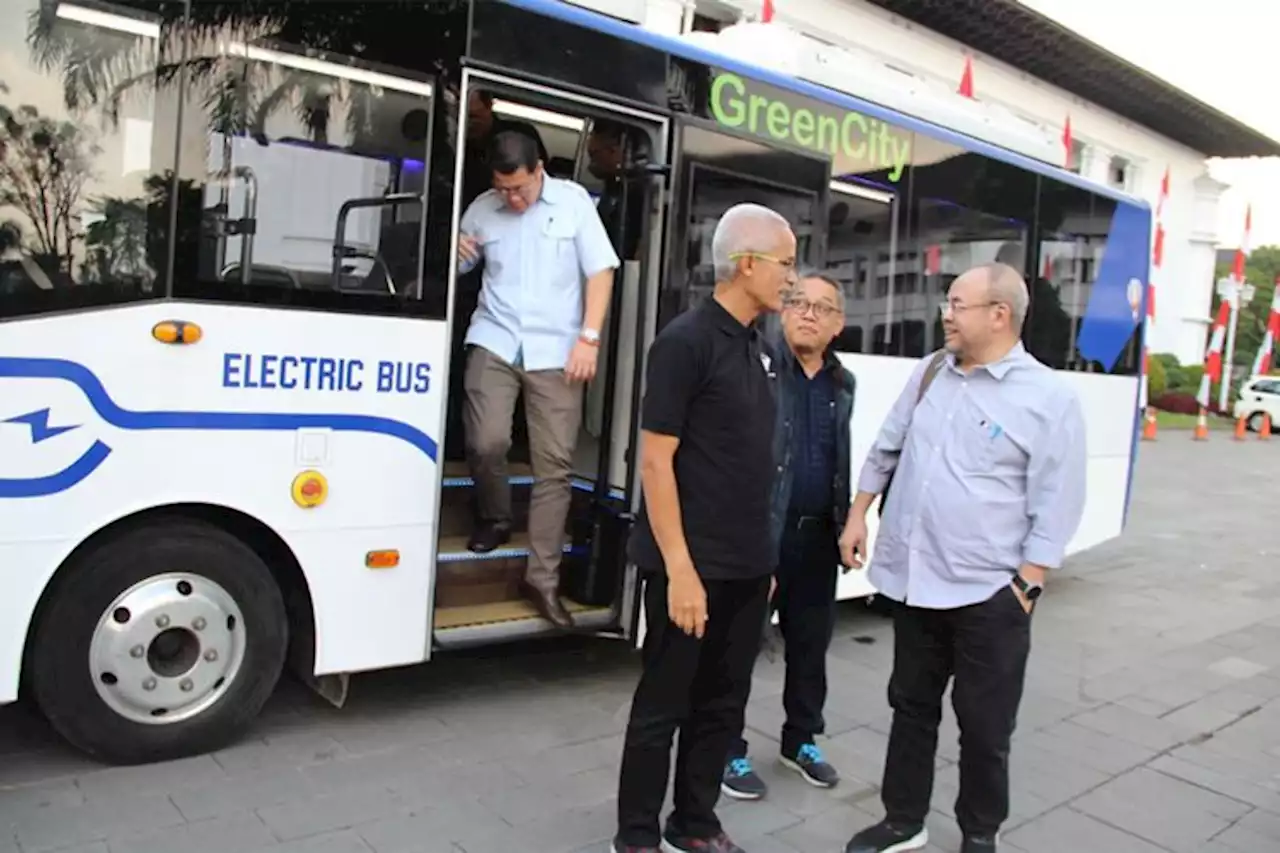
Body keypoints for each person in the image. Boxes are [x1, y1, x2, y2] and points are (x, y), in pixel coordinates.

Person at [838, 262, 1087, 853]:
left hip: (989, 596)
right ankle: (903, 820)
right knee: (911, 708)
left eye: (957, 303)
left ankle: (980, 833)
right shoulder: (931, 374)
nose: (945, 314)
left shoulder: (1049, 398)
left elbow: (1059, 498)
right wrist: (858, 514)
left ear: (999, 314)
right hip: (915, 582)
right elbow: (887, 445)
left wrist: (1027, 583)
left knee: (984, 727)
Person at [613, 203, 797, 853]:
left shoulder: (761, 346)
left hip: (747, 565)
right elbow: (656, 461)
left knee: (723, 703)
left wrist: (765, 561)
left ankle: (693, 821)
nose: (791, 280)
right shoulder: (685, 342)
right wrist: (681, 570)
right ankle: (636, 835)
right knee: (664, 703)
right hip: (688, 566)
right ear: (746, 264)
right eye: (785, 263)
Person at [456, 130, 620, 628]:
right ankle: (496, 515)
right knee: (486, 442)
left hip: (558, 350)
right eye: (503, 189)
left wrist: (589, 338)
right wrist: (457, 253)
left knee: (555, 467)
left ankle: (542, 579)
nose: (512, 198)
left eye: (520, 188)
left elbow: (601, 271)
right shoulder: (483, 209)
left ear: (540, 169)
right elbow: (463, 269)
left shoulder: (572, 203)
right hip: (496, 338)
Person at [721, 272, 856, 801]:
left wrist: (849, 520)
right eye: (799, 302)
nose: (808, 313)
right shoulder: (762, 370)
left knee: (811, 647)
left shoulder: (843, 383)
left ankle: (801, 740)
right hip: (764, 534)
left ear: (838, 324)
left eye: (822, 308)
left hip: (819, 536)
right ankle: (726, 746)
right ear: (783, 311)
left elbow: (840, 457)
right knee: (740, 645)